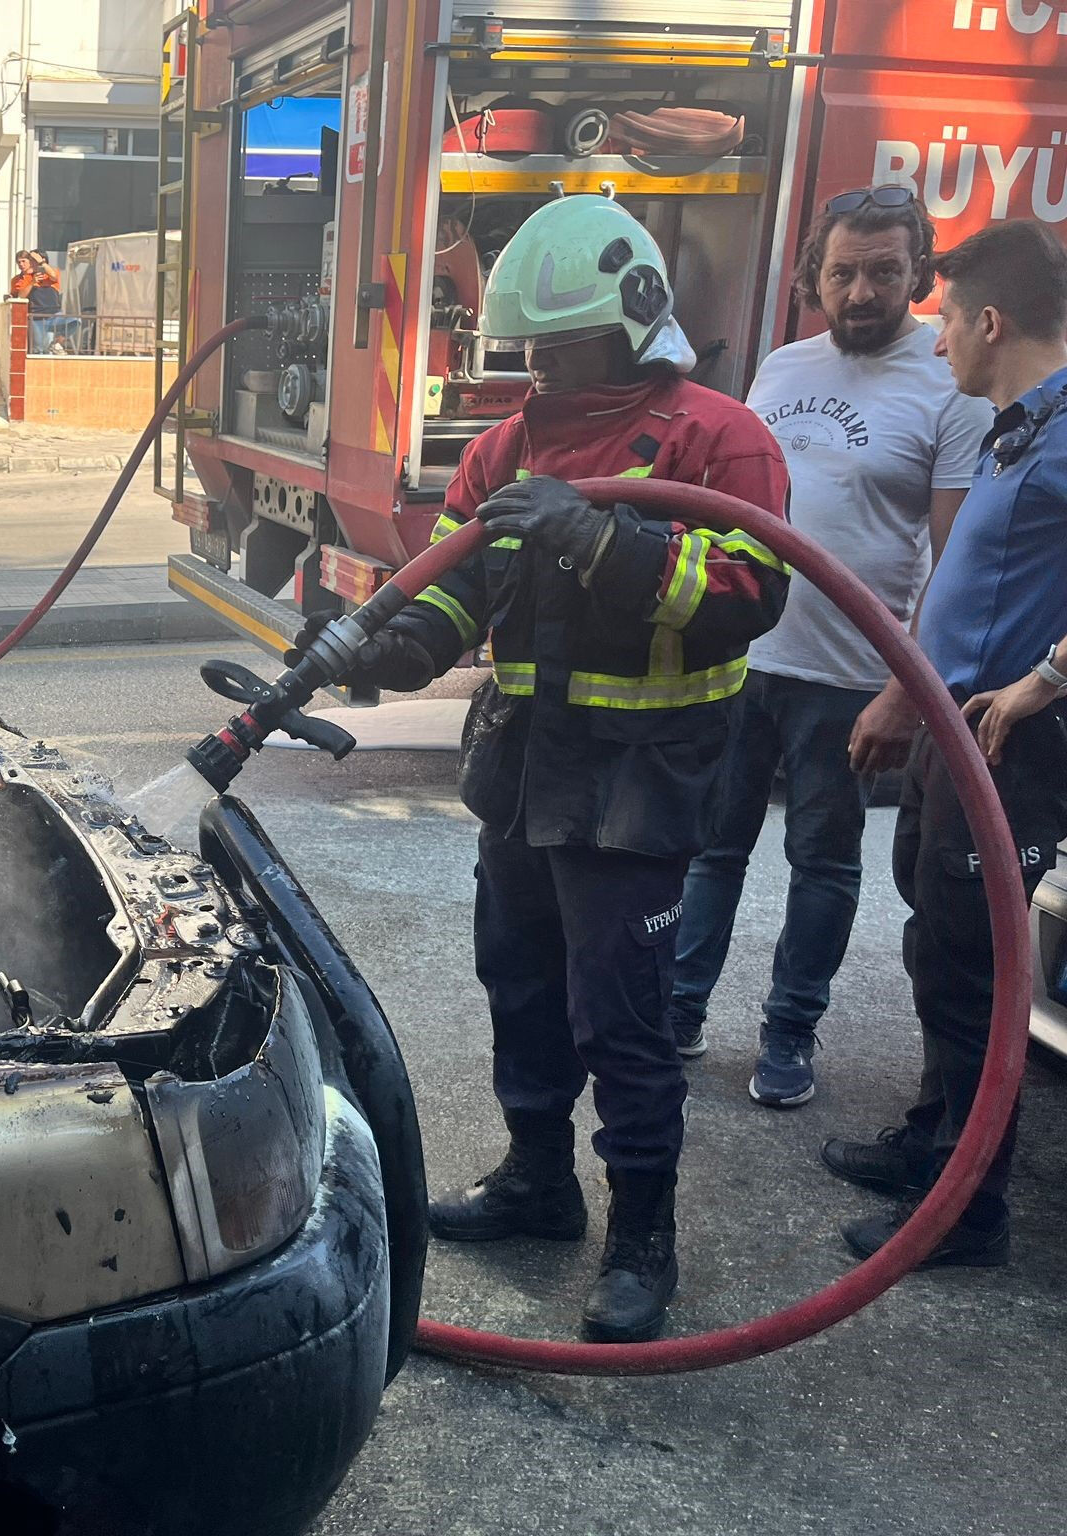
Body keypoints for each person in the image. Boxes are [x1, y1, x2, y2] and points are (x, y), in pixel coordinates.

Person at [301, 195, 789, 1341]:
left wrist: (603, 537)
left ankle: (641, 1238)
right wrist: (392, 642)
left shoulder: (716, 440)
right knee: (517, 983)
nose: (542, 370)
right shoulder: (504, 447)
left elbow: (744, 598)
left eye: (562, 348)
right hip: (523, 769)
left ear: (632, 323)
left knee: (620, 1017)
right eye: (530, 349)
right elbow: (460, 584)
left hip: (643, 778)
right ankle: (536, 1180)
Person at [667, 187, 992, 1108]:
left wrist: (905, 686)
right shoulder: (780, 367)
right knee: (708, 851)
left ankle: (787, 1035)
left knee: (825, 864)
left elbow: (954, 556)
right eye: (843, 272)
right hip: (743, 658)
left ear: (918, 275)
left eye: (884, 272)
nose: (860, 292)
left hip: (849, 677)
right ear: (816, 274)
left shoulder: (945, 384)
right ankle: (679, 1010)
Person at [826, 221, 1067, 1268]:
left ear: (987, 320)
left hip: (1009, 751)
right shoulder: (1023, 426)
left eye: (942, 323)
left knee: (975, 971)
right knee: (937, 949)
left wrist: (1047, 677)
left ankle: (965, 1213)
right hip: (952, 734)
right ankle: (933, 1144)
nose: (935, 348)